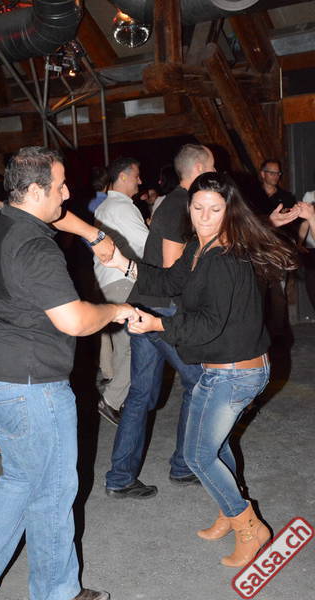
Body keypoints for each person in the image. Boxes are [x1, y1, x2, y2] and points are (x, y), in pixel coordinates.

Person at [0, 146, 138, 600]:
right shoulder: (35, 248)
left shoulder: (3, 221)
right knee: (52, 491)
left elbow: (58, 216)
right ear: (33, 191)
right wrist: (117, 310)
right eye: (60, 187)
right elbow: (74, 321)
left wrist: (93, 234)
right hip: (32, 388)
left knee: (21, 479)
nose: (68, 194)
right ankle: (57, 593)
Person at [104, 172, 297, 568]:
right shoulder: (199, 246)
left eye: (214, 209)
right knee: (216, 445)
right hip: (222, 367)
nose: (205, 217)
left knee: (197, 455)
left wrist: (157, 324)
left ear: (229, 211)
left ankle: (249, 526)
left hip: (235, 373)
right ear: (188, 207)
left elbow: (209, 324)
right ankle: (229, 510)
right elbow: (167, 281)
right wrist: (121, 262)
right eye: (198, 208)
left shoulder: (227, 257)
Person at [104, 144, 214, 500]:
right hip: (163, 310)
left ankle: (120, 477)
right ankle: (183, 466)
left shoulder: (177, 203)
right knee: (199, 383)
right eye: (213, 165)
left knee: (140, 394)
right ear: (199, 168)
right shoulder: (180, 205)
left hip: (147, 305)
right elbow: (172, 270)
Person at [94, 157, 149, 425]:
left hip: (107, 282)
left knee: (122, 346)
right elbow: (147, 245)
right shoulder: (123, 207)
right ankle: (112, 400)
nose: (140, 181)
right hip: (123, 280)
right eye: (136, 175)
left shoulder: (104, 206)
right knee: (135, 345)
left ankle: (117, 397)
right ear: (124, 176)